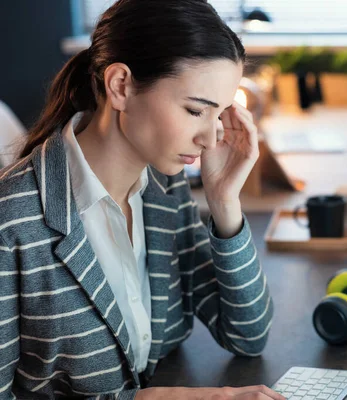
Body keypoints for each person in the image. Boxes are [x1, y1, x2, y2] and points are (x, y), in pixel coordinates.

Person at [0, 1, 282, 399]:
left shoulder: (164, 192)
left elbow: (247, 335)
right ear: (120, 86)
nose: (212, 137)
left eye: (219, 115)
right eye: (195, 110)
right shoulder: (12, 222)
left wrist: (224, 203)